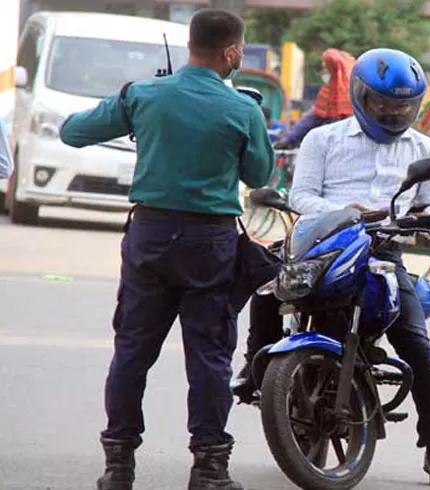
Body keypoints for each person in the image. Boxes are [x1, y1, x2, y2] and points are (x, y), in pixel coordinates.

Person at [59, 9, 274, 490]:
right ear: (232, 51)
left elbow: (73, 131)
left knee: (132, 351)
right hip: (210, 243)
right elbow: (260, 176)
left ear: (190, 47)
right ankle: (209, 469)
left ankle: (118, 467)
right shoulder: (243, 108)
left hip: (150, 238)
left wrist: (136, 110)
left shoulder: (143, 94)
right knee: (210, 356)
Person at [233, 48, 430, 488]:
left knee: (418, 347)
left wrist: (424, 222)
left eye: (403, 106)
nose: (394, 113)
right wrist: (346, 212)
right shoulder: (323, 139)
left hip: (382, 254)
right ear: (360, 95)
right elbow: (300, 196)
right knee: (268, 289)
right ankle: (253, 366)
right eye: (383, 104)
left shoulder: (425, 148)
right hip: (324, 242)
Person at [273, 48, 354, 148]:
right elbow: (311, 119)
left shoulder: (354, 97)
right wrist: (287, 140)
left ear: (337, 70)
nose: (323, 72)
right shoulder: (328, 92)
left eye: (326, 68)